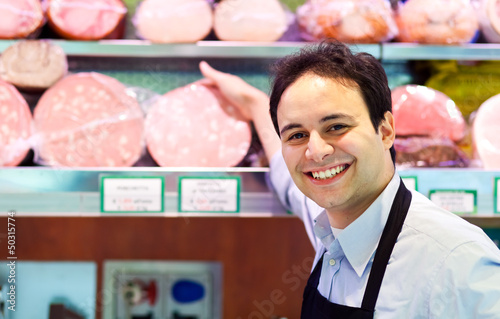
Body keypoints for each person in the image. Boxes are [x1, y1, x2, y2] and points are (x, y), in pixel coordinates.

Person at [199, 40, 500, 318]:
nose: (315, 152)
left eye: (336, 127)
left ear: (385, 131)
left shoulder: (460, 263)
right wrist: (252, 103)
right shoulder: (332, 225)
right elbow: (286, 174)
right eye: (298, 135)